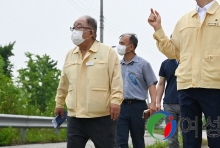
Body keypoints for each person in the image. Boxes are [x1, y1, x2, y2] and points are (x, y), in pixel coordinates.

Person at [148, 0, 220, 148]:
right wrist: (158, 29)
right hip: (187, 87)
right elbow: (173, 52)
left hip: (214, 86)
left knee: (218, 139)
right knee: (190, 141)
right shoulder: (185, 20)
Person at [54, 15, 123, 148]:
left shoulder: (107, 52)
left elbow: (116, 80)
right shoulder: (70, 54)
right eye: (73, 27)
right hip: (75, 116)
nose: (75, 30)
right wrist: (59, 103)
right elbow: (64, 82)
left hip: (101, 116)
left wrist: (116, 101)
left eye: (79, 27)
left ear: (91, 32)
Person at [116, 33, 158, 148]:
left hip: (138, 107)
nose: (119, 46)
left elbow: (151, 84)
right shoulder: (117, 65)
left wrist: (153, 103)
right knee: (120, 141)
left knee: (138, 140)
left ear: (131, 47)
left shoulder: (143, 64)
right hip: (121, 107)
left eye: (122, 43)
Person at [156, 58, 180, 148]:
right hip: (169, 103)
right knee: (171, 136)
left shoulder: (188, 60)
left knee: (188, 134)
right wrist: (157, 102)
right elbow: (161, 83)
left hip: (186, 103)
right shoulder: (165, 63)